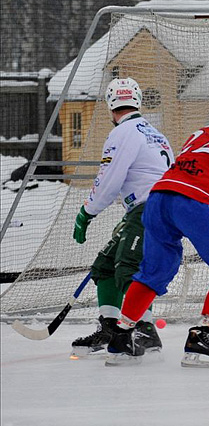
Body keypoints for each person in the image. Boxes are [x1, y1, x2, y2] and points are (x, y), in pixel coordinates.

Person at [105, 86, 209, 367]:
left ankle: (122, 338)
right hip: (195, 204)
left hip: (159, 199)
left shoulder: (200, 133)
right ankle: (201, 335)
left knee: (153, 272)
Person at [70, 78, 173, 357]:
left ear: (110, 104)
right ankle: (110, 327)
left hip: (148, 210)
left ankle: (143, 330)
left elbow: (109, 180)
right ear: (136, 100)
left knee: (129, 268)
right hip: (152, 211)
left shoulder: (123, 132)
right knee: (104, 265)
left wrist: (86, 213)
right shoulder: (156, 133)